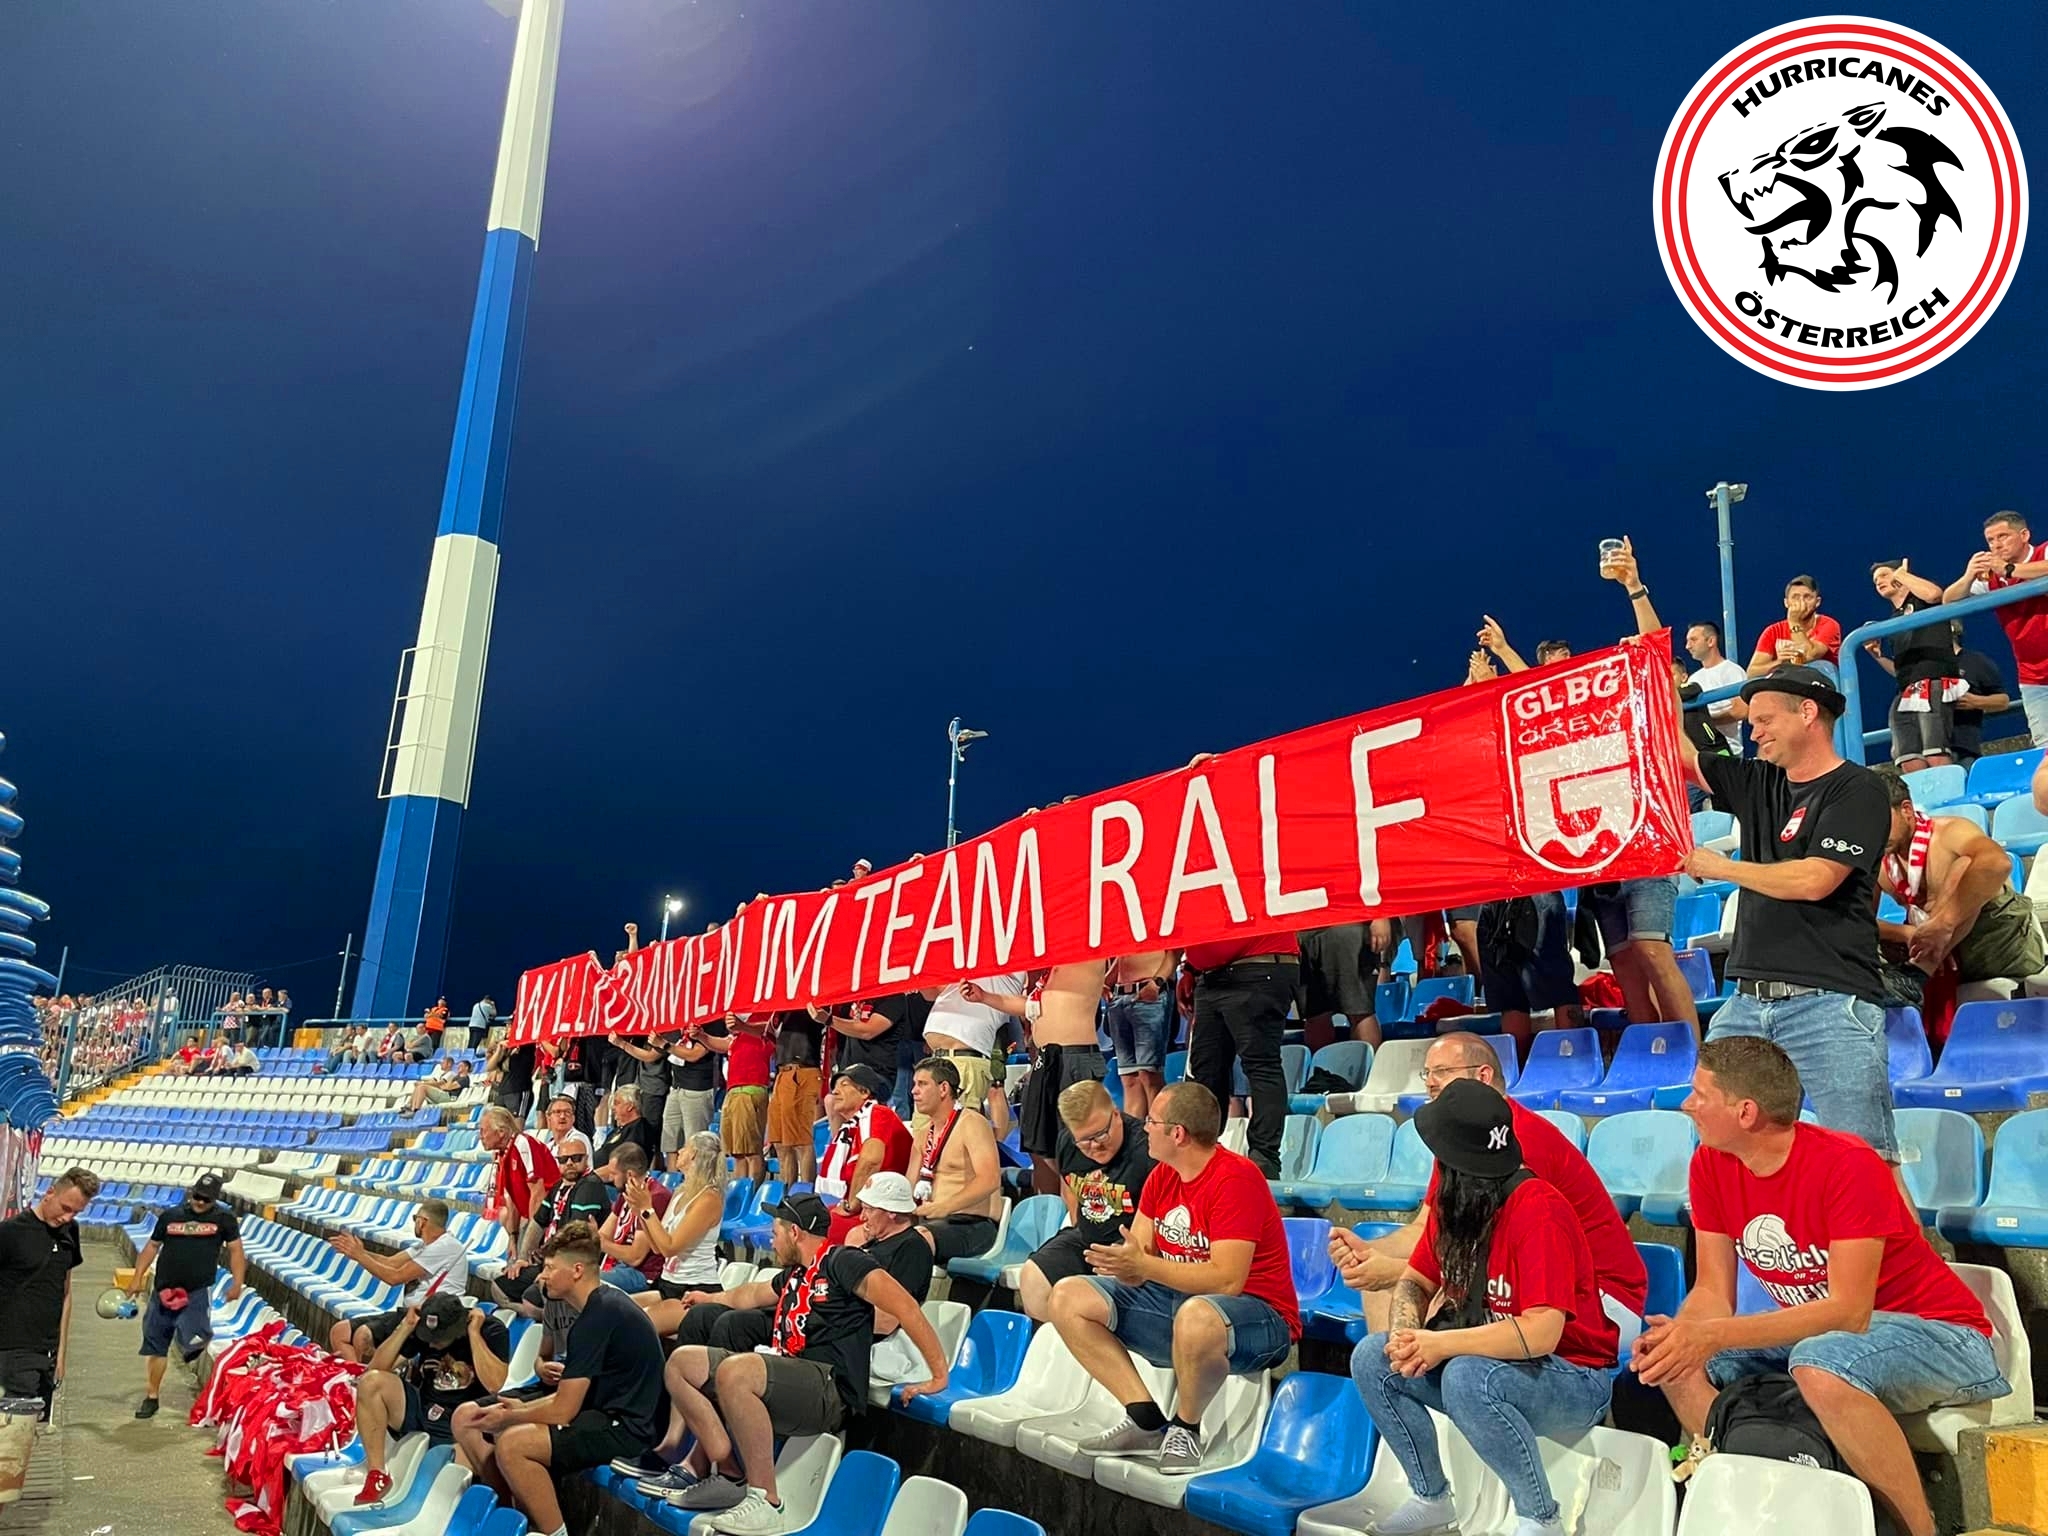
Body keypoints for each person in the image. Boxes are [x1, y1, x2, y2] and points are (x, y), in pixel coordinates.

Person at [1636, 1039, 2007, 1536]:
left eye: (1701, 1094)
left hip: (1945, 1337)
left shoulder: (1846, 1164)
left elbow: (1849, 1312)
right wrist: (1681, 1338)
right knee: (1673, 1363)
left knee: (1820, 1365)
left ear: (1746, 1112)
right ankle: (1756, 1510)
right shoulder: (1709, 1163)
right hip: (1831, 1340)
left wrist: (1713, 1334)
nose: (1687, 1104)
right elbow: (1712, 1292)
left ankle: (1919, 1530)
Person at [1351, 1079, 1618, 1536]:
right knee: (1372, 1358)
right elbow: (1415, 1281)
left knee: (1466, 1375)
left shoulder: (1539, 1210)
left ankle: (1540, 1519)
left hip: (1574, 1376)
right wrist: (1404, 1336)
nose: (1434, 1166)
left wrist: (1440, 1344)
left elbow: (1542, 1332)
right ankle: (1430, 1497)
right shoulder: (1456, 1202)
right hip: (1498, 1364)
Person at [1676, 665, 1898, 1163]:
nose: (1753, 732)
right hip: (1746, 1003)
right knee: (1721, 1153)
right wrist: (1656, 681)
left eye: (1764, 720)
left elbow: (1816, 879)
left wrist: (1721, 867)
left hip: (1830, 1003)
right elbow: (1683, 756)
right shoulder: (1758, 781)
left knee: (1865, 1163)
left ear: (1808, 712)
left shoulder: (1857, 788)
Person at [645, 1194, 948, 1532]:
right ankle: (728, 1472)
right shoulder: (796, 1274)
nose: (770, 1239)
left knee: (736, 1372)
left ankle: (766, 1501)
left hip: (832, 1388)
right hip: (794, 1377)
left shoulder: (843, 1261)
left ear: (795, 1233)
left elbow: (905, 1307)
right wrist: (711, 1297)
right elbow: (750, 1295)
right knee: (681, 1364)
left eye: (775, 1231)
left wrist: (939, 1375)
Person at [1048, 1082, 1299, 1474]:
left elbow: (1227, 1281)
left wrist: (1144, 1268)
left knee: (1197, 1315)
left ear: (1177, 1133)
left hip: (1261, 1320)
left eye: (1152, 1121)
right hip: (1184, 1307)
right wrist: (1124, 1266)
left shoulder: (1236, 1178)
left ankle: (1186, 1428)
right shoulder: (1163, 1176)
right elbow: (1141, 1255)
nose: (1144, 1127)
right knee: (1068, 1296)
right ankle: (1145, 1420)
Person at [1331, 1034, 1647, 1340]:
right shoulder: (1460, 1136)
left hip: (1600, 1298)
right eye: (1427, 1073)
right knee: (1385, 1287)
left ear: (1483, 1076)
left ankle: (1416, 1370)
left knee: (1416, 1292)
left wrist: (1395, 1271)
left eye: (1442, 1071)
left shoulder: (1514, 1142)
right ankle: (1399, 1370)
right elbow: (1426, 1229)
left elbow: (1493, 1258)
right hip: (1523, 1280)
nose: (1429, 1083)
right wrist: (1370, 1252)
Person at [451, 1223, 665, 1536]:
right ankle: (513, 1520)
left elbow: (565, 1410)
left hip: (628, 1428)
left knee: (513, 1444)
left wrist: (513, 1416)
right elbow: (569, 1397)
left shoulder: (599, 1316)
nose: (542, 1276)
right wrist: (519, 1411)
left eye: (550, 1268)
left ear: (577, 1270)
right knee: (470, 1418)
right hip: (600, 1411)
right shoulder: (596, 1309)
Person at [1874, 767, 2045, 1041]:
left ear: (1906, 810)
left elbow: (1998, 864)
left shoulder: (1951, 830)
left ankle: (1919, 971)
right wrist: (1903, 933)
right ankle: (1916, 971)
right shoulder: (1873, 857)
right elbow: (1855, 921)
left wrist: (1943, 923)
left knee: (1966, 865)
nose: (1873, 831)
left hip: (1995, 942)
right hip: (1927, 947)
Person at [962, 959, 1110, 1189]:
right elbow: (1032, 1006)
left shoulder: (1088, 955)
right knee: (1039, 1148)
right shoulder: (1048, 973)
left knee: (1075, 1149)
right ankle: (1050, 1207)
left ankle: (1078, 1208)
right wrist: (984, 997)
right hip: (1044, 1061)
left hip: (1074, 1058)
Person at [349, 1292, 511, 1502]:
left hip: (462, 1424)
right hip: (424, 1407)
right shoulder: (421, 1327)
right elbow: (375, 1369)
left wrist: (474, 1335)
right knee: (371, 1383)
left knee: (449, 1487)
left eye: (438, 1339)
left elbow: (494, 1383)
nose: (431, 1344)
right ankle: (377, 1473)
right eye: (429, 1338)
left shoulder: (491, 1329)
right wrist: (405, 1327)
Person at [1019, 1080, 1156, 1322]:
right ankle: (1061, 1342)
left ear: (1116, 1114)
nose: (1095, 1146)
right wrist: (1077, 1224)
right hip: (1087, 1238)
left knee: (1088, 1292)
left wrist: (1132, 1254)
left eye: (1101, 1134)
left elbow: (1158, 1217)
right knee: (1033, 1276)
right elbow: (1070, 1186)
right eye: (1084, 1140)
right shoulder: (1067, 1143)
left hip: (1133, 1245)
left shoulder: (1145, 1149)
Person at [126, 1172, 246, 1419]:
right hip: (164, 1290)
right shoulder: (171, 1216)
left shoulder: (224, 1220)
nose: (200, 1202)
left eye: (206, 1199)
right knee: (156, 1346)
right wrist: (138, 1276)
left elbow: (236, 1251)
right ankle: (152, 1396)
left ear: (215, 1199)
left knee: (199, 1335)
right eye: (197, 1196)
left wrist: (237, 1282)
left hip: (196, 1291)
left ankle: (192, 1345)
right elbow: (152, 1246)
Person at [1183, 930, 1300, 1178]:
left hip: (1258, 965)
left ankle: (1264, 1159)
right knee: (1206, 1071)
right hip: (1210, 976)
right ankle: (1204, 1154)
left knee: (1260, 1064)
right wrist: (1191, 969)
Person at [1943, 509, 2048, 745]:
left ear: (2024, 535)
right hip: (2033, 675)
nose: (1996, 545)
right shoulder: (1991, 578)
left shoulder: (2044, 551)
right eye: (1991, 540)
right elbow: (1948, 600)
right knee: (2044, 747)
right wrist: (1969, 575)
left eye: (2003, 536)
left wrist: (2009, 570)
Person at [0, 1167, 97, 1416]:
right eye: (65, 1208)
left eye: (76, 1212)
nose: (67, 1217)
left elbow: (65, 1293)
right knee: (16, 1427)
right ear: (50, 1192)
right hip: (12, 1352)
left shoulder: (70, 1232)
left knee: (35, 1429)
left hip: (47, 1353)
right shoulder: (10, 1232)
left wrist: (61, 1353)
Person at [326, 1198, 473, 1360]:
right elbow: (391, 1262)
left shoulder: (444, 1247)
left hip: (429, 1318)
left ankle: (375, 1374)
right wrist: (359, 1252)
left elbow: (395, 1277)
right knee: (340, 1332)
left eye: (415, 1218)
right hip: (410, 1312)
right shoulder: (426, 1245)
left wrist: (359, 1256)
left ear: (422, 1222)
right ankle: (361, 1373)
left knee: (363, 1337)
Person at [1862, 558, 1964, 772]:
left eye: (1884, 575)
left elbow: (1936, 594)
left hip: (1934, 681)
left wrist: (1903, 575)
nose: (1878, 581)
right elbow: (1899, 672)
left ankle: (1949, 793)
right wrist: (1878, 656)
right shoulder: (1893, 621)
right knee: (1908, 759)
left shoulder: (1921, 599)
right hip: (1907, 690)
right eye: (1875, 580)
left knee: (1936, 754)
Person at [626, 1131, 728, 1334]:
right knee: (614, 1310)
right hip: (668, 1284)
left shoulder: (709, 1198)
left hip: (694, 1288)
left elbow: (670, 1248)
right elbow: (657, 1246)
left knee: (631, 1329)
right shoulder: (681, 1192)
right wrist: (640, 1212)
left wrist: (647, 1209)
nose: (679, 1151)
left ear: (694, 1155)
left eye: (685, 1147)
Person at [905, 1057, 1003, 1263]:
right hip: (930, 1223)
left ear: (943, 1088)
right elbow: (908, 1189)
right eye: (914, 1084)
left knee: (914, 1242)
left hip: (972, 1224)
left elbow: (990, 1179)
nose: (914, 1091)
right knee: (861, 1236)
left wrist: (944, 1207)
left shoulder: (972, 1123)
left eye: (922, 1084)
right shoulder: (922, 1135)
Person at [495, 1140, 614, 1303]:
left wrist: (549, 1266)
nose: (569, 1163)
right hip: (551, 1260)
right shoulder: (558, 1186)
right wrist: (522, 1258)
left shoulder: (590, 1185)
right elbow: (537, 1222)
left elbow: (573, 1236)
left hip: (573, 1264)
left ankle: (556, 1316)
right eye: (564, 1160)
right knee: (500, 1286)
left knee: (534, 1296)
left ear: (586, 1159)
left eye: (576, 1158)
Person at [917, 972, 1026, 1136]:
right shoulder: (965, 971)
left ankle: (995, 1145)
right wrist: (920, 975)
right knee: (923, 1132)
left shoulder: (1004, 969)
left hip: (966, 1059)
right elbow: (931, 992)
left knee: (959, 1132)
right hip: (936, 1060)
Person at [815, 1064, 913, 1242]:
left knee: (810, 1229)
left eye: (844, 1085)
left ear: (864, 1092)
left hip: (885, 1215)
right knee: (805, 1218)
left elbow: (871, 1161)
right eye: (834, 1087)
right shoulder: (852, 1127)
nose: (835, 1092)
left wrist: (851, 1205)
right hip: (870, 1209)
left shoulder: (877, 1112)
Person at [1102, 954, 1177, 1120]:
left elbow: (1174, 952)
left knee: (1149, 1074)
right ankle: (1135, 1134)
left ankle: (1159, 1129)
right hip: (1119, 995)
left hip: (1149, 994)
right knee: (1129, 1078)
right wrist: (1107, 980)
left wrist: (1157, 982)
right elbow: (1123, 956)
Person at [481, 1105, 562, 1256]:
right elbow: (513, 1199)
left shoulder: (523, 1144)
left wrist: (531, 1241)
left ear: (501, 1132)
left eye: (483, 1131)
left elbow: (538, 1193)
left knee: (523, 1261)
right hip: (530, 1216)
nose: (481, 1136)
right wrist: (513, 1237)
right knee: (513, 1259)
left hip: (550, 1217)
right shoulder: (502, 1154)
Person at [593, 1143, 670, 1294]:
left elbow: (635, 1257)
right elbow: (603, 1234)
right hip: (619, 1264)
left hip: (642, 1274)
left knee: (582, 1281)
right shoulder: (626, 1192)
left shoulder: (655, 1197)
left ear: (629, 1174)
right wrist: (599, 1240)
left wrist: (601, 1243)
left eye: (614, 1174)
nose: (610, 1178)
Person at [667, 1014, 731, 1169]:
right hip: (676, 1087)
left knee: (694, 1146)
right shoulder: (677, 1019)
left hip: (697, 1088)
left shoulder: (712, 1021)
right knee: (670, 1144)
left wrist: (665, 1046)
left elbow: (694, 1055)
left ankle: (696, 1180)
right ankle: (672, 1180)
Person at [1747, 574, 1843, 678]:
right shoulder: (1773, 631)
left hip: (1820, 682)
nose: (1801, 602)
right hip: (1787, 684)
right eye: (1795, 597)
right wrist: (1780, 663)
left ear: (1817, 602)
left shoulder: (1829, 625)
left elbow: (1809, 655)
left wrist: (1794, 622)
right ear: (1786, 603)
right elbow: (1752, 672)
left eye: (1807, 597)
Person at [764, 1009, 819, 1184]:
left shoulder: (809, 1005)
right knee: (780, 1143)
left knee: (802, 1142)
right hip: (782, 1074)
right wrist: (742, 1026)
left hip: (803, 1071)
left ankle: (805, 1193)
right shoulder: (780, 1011)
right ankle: (787, 1192)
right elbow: (766, 1031)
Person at [721, 1014, 775, 1185]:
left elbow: (769, 1028)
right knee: (737, 1153)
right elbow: (724, 1044)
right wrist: (702, 1037)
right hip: (733, 1091)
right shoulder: (738, 1034)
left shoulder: (764, 1017)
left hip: (750, 1088)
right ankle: (740, 1191)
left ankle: (752, 1194)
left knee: (751, 1151)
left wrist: (741, 1025)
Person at [1949, 623, 2013, 766]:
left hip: (1963, 748)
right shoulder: (1922, 665)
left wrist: (1975, 701)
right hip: (1926, 749)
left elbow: (2003, 700)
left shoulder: (1975, 661)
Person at [611, 1033, 675, 1162]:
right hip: (637, 1084)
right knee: (635, 1132)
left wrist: (622, 1044)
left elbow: (650, 1056)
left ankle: (652, 1169)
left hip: (654, 1088)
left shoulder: (666, 1032)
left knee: (651, 1136)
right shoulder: (641, 1033)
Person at [596, 1086, 661, 1171]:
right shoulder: (619, 1129)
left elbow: (624, 1165)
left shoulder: (639, 1130)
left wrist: (594, 1174)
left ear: (630, 1106)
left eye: (617, 1103)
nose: (613, 1108)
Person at [539, 1095, 594, 1167]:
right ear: (548, 1117)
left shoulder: (578, 1139)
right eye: (558, 1112)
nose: (562, 1116)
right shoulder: (549, 1146)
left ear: (573, 1118)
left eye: (567, 1112)